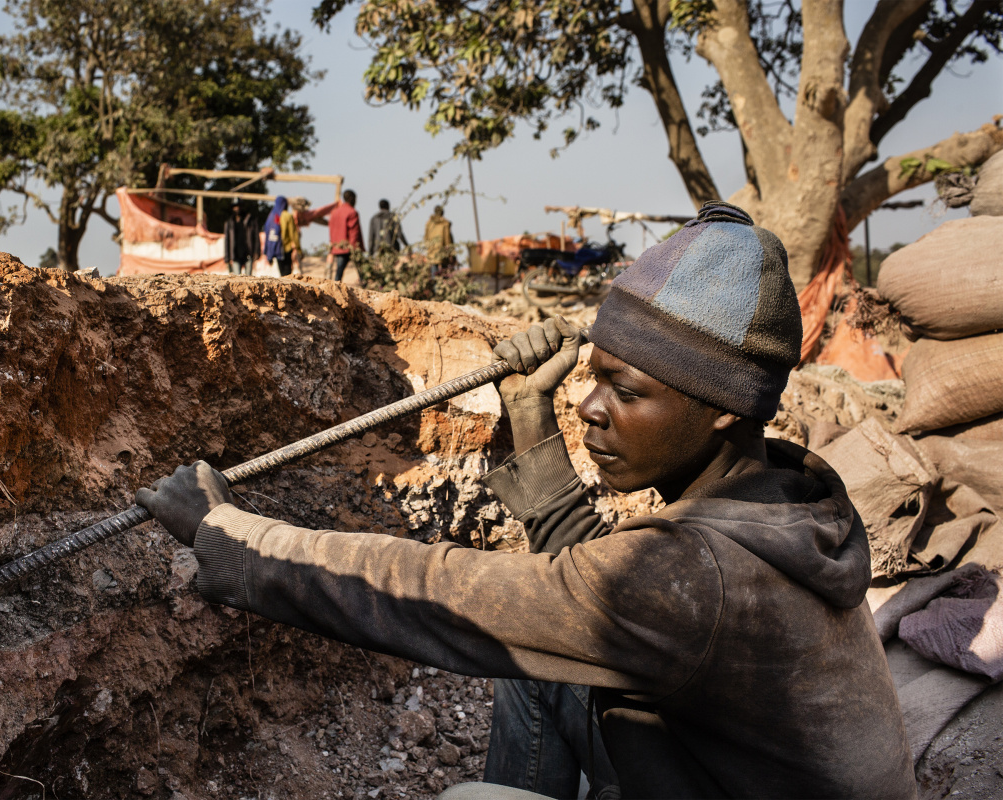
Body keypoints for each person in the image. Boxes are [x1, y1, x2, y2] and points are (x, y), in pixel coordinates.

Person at [136, 202, 916, 800]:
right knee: (541, 669)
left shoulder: (697, 576)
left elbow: (440, 594)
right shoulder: (777, 490)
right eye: (595, 375)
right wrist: (529, 410)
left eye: (626, 389)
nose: (592, 406)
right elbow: (588, 591)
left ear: (721, 409)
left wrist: (231, 535)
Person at [328, 189, 364, 283]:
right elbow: (354, 232)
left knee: (339, 273)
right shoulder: (352, 212)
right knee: (362, 272)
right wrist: (354, 248)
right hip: (350, 247)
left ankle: (335, 289)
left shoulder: (334, 212)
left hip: (338, 246)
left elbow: (331, 229)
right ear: (352, 199)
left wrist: (333, 244)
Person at [224, 201, 260, 275]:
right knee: (237, 279)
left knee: (248, 278)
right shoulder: (230, 222)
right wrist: (227, 257)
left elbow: (256, 237)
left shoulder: (250, 221)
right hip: (235, 255)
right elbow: (227, 240)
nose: (237, 208)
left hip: (248, 253)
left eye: (238, 206)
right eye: (235, 206)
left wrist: (257, 251)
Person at [263, 196, 291, 277]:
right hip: (284, 249)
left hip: (274, 249)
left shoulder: (270, 216)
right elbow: (292, 234)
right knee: (287, 274)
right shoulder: (286, 215)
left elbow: (267, 233)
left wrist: (268, 252)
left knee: (281, 272)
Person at [424, 205, 456, 273]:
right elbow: (448, 240)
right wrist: (451, 253)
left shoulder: (429, 224)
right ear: (442, 212)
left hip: (432, 251)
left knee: (434, 273)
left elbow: (426, 238)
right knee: (444, 274)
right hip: (442, 252)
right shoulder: (445, 223)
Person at [280, 199, 303, 276]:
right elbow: (293, 235)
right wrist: (298, 250)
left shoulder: (277, 215)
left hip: (279, 249)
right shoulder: (288, 216)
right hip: (289, 248)